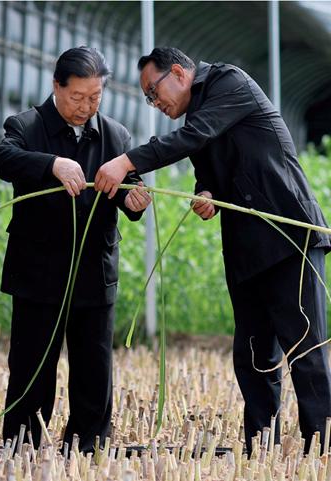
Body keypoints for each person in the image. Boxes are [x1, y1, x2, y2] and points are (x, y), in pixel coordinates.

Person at [94, 47, 331, 454]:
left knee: (305, 349)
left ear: (179, 73)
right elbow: (210, 176)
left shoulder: (229, 83)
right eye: (148, 98)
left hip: (288, 237)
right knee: (254, 356)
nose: (155, 103)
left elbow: (193, 136)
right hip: (247, 249)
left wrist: (126, 161)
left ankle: (323, 448)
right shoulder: (197, 116)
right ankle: (261, 447)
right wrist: (207, 196)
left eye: (154, 92)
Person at [0, 46, 151, 453]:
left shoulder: (116, 135)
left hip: (94, 272)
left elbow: (131, 190)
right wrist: (52, 165)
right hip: (37, 273)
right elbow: (3, 159)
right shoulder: (26, 126)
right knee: (32, 367)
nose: (85, 106)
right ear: (55, 86)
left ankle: (89, 448)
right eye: (77, 97)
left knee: (94, 369)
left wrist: (135, 200)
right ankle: (23, 447)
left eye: (95, 97)